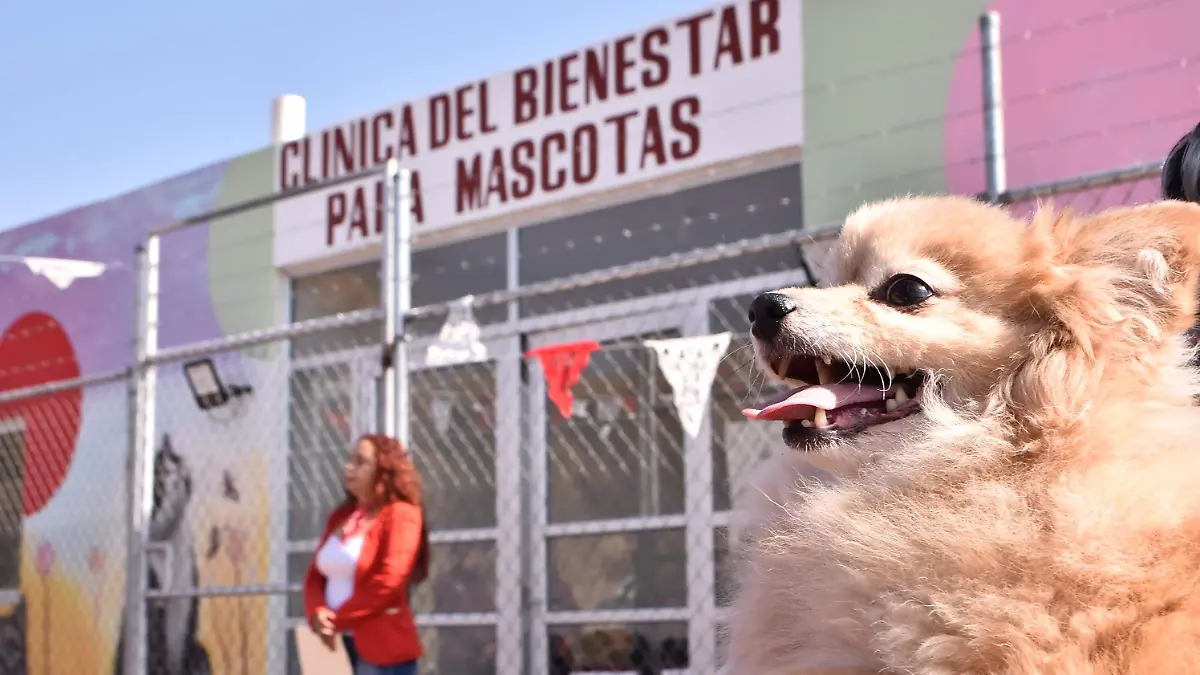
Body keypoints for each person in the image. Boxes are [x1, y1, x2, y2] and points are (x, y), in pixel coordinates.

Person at [304, 433, 431, 675]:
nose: (348, 467)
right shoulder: (341, 517)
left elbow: (389, 581)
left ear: (383, 470)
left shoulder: (402, 514)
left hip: (379, 648)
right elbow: (314, 576)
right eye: (350, 460)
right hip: (331, 644)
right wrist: (317, 612)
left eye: (360, 462)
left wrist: (338, 621)